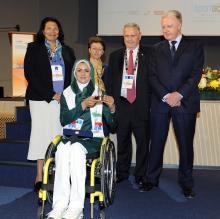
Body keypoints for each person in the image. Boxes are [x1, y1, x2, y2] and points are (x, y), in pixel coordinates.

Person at [141, 10, 204, 198]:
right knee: (157, 143)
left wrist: (179, 94)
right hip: (161, 103)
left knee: (185, 145)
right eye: (163, 26)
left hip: (185, 104)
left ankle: (186, 184)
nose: (165, 30)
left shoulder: (194, 47)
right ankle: (151, 179)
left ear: (179, 25)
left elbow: (195, 74)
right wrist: (167, 95)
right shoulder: (156, 49)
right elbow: (151, 76)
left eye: (169, 26)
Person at [47, 59, 116, 219]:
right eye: (79, 70)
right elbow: (64, 119)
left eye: (86, 70)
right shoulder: (67, 93)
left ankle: (76, 207)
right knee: (62, 150)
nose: (83, 73)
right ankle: (59, 205)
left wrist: (112, 108)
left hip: (92, 139)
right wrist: (83, 105)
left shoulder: (99, 93)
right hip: (70, 138)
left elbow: (113, 125)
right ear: (74, 73)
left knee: (76, 150)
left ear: (91, 73)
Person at [24, 17, 76, 192]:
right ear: (43, 31)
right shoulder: (34, 48)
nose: (52, 31)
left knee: (58, 136)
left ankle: (58, 176)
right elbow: (30, 75)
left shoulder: (67, 51)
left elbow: (72, 76)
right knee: (41, 136)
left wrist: (65, 95)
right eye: (49, 28)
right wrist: (51, 94)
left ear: (59, 31)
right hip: (40, 100)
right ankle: (40, 176)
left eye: (55, 28)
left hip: (61, 100)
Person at [107, 23, 151, 186]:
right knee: (122, 141)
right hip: (122, 104)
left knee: (143, 143)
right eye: (127, 36)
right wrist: (112, 105)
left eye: (133, 35)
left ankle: (141, 174)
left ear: (139, 36)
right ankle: (122, 172)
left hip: (141, 105)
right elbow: (111, 82)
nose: (130, 39)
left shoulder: (150, 54)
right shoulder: (115, 56)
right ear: (123, 37)